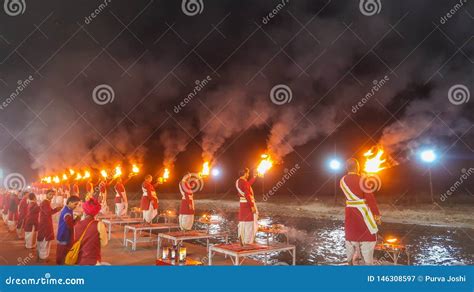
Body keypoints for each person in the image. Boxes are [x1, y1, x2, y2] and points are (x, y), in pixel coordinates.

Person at [340, 158, 381, 265]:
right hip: (363, 213)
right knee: (368, 237)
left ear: (346, 168)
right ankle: (367, 264)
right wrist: (376, 215)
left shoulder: (342, 180)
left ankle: (350, 262)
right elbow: (370, 199)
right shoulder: (363, 179)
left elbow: (352, 191)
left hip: (350, 212)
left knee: (352, 236)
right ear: (358, 167)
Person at [72, 197, 108, 265]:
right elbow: (104, 243)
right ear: (96, 212)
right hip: (94, 260)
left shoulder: (77, 224)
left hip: (79, 260)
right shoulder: (99, 224)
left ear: (84, 210)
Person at [37, 190, 61, 262]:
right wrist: (57, 209)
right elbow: (48, 212)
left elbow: (48, 212)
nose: (52, 196)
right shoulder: (45, 202)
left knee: (45, 240)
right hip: (45, 224)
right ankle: (43, 257)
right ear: (46, 194)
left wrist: (56, 209)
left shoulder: (46, 202)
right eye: (50, 194)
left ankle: (42, 256)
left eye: (53, 195)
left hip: (46, 223)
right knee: (45, 240)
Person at [235, 168, 258, 245]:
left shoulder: (239, 181)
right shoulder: (243, 182)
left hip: (242, 204)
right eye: (247, 173)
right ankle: (247, 242)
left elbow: (248, 185)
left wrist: (254, 177)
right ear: (244, 173)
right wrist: (252, 206)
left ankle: (242, 238)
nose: (248, 175)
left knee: (243, 221)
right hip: (247, 204)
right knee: (249, 223)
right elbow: (247, 194)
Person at [56, 196, 81, 265]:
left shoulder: (68, 209)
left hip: (64, 233)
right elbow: (71, 225)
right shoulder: (67, 213)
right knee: (62, 251)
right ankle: (61, 264)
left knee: (63, 250)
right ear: (70, 202)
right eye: (75, 204)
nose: (76, 206)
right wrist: (77, 219)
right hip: (64, 234)